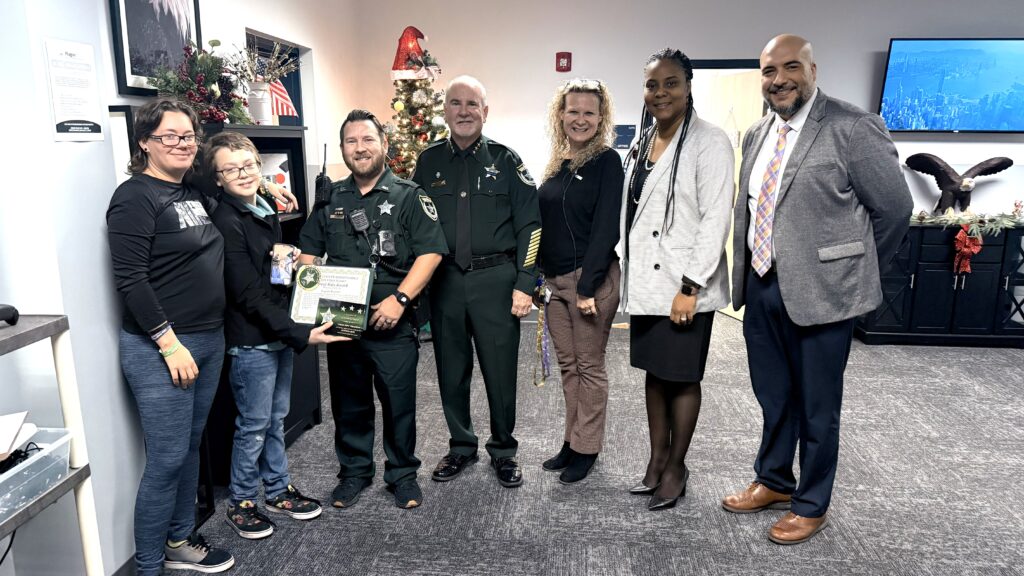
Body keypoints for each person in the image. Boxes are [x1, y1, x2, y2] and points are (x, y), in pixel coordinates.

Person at [722, 34, 913, 544]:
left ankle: (811, 502)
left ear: (812, 69)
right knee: (773, 396)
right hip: (762, 286)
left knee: (818, 405)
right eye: (768, 71)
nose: (779, 79)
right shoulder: (757, 133)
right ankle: (775, 480)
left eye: (790, 68)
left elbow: (894, 211)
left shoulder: (852, 127)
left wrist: (855, 272)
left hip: (825, 293)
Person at [106, 99, 234, 574]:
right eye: (169, 137)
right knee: (165, 460)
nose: (181, 144)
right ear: (144, 142)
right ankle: (148, 565)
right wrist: (169, 343)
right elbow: (131, 280)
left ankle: (180, 540)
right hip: (162, 349)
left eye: (188, 137)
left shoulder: (190, 192)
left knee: (188, 447)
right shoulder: (134, 196)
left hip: (208, 340)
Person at [297, 109, 447, 509]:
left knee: (399, 402)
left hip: (392, 316)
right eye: (351, 142)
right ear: (343, 149)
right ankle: (354, 473)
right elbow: (309, 254)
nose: (359, 148)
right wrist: (310, 301)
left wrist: (400, 300)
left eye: (367, 139)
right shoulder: (330, 199)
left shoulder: (409, 196)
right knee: (349, 401)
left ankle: (402, 474)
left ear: (384, 144)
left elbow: (431, 253)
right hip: (342, 318)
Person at [206, 132, 345, 540]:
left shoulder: (262, 207)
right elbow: (247, 293)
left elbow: (271, 275)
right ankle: (242, 502)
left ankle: (277, 488)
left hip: (276, 334)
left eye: (249, 165)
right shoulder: (226, 221)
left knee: (274, 418)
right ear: (216, 178)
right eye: (230, 169)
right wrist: (301, 333)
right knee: (253, 424)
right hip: (252, 340)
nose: (243, 173)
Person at [412, 75, 542, 488]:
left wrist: (525, 282)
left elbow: (531, 226)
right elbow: (414, 223)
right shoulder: (428, 161)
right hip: (446, 280)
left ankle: (503, 449)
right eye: (455, 103)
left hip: (496, 281)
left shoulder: (506, 161)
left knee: (500, 371)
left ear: (486, 112)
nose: (464, 111)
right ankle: (460, 445)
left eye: (472, 104)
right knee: (451, 369)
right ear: (445, 110)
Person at [621, 49, 735, 511]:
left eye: (670, 83)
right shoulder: (644, 139)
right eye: (652, 84)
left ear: (688, 87)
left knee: (682, 378)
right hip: (647, 282)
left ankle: (677, 468)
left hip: (683, 287)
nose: (660, 93)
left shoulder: (710, 141)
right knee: (655, 374)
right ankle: (655, 460)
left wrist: (690, 287)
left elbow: (715, 218)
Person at [536, 78, 623, 484]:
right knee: (569, 368)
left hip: (591, 282)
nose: (580, 119)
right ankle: (572, 441)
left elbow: (607, 228)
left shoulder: (606, 161)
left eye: (589, 112)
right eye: (573, 111)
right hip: (555, 284)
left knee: (590, 367)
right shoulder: (559, 162)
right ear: (561, 114)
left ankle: (588, 448)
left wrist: (588, 287)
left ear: (601, 118)